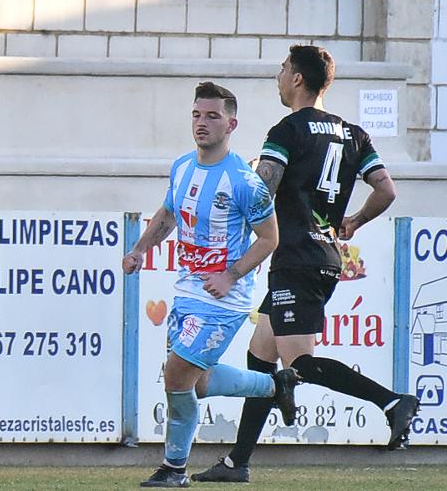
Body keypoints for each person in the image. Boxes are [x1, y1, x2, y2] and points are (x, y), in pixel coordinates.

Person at [193, 46, 418, 483]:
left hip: (296, 257)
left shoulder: (288, 129)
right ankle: (237, 462)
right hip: (324, 255)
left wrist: (232, 201)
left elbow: (263, 188)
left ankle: (393, 402)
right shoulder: (354, 134)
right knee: (261, 356)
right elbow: (386, 190)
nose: (278, 76)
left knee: (300, 364)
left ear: (297, 79)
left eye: (282, 69)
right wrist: (352, 220)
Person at [121, 82, 297, 488]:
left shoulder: (245, 181)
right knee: (196, 383)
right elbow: (168, 213)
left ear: (231, 124)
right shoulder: (182, 166)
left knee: (176, 376)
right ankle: (275, 384)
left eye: (212, 116)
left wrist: (231, 274)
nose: (202, 123)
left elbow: (270, 238)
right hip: (186, 291)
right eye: (197, 115)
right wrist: (140, 249)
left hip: (224, 299)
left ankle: (173, 469)